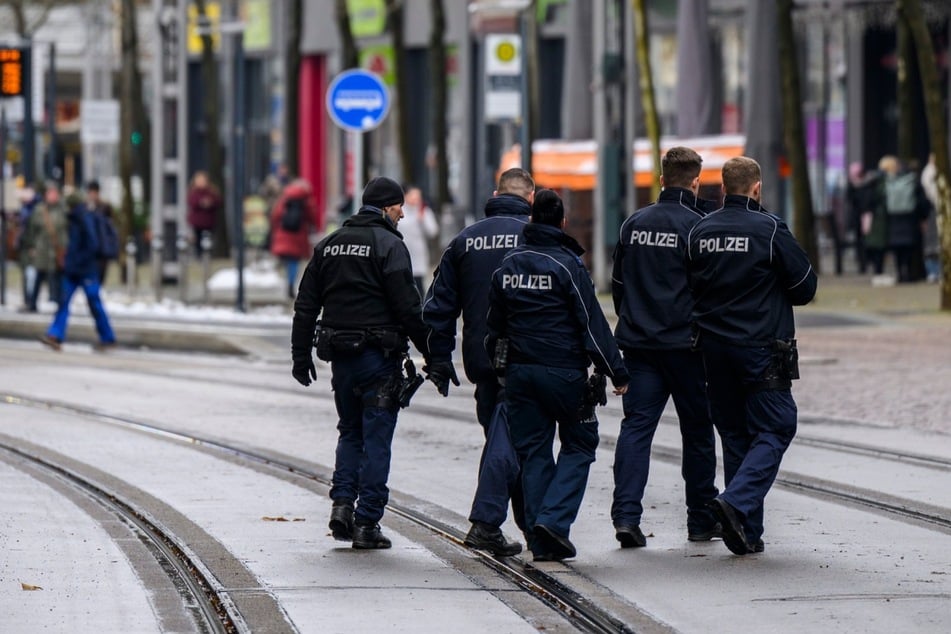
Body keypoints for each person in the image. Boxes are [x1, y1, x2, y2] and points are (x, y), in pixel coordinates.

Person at [290, 176, 440, 550]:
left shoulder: (328, 245)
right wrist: (434, 355)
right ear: (388, 207)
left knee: (350, 432)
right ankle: (367, 522)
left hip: (341, 359)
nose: (403, 213)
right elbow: (409, 308)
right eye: (399, 207)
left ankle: (342, 505)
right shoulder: (389, 245)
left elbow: (306, 304)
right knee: (376, 439)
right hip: (379, 359)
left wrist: (300, 354)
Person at [486, 188, 629, 562]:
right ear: (563, 222)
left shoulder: (510, 264)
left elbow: (493, 323)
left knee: (533, 451)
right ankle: (553, 520)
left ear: (532, 220)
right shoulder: (567, 265)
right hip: (563, 373)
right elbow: (592, 323)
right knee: (580, 443)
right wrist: (616, 371)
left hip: (520, 373)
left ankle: (538, 536)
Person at [686, 156, 817, 555]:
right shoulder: (770, 229)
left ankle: (746, 531)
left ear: (723, 188)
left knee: (735, 434)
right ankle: (736, 503)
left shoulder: (699, 230)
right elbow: (804, 286)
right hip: (760, 347)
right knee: (777, 426)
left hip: (713, 348)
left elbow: (689, 284)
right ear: (756, 188)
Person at [610, 146, 722, 548]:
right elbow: (708, 290)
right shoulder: (701, 227)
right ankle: (699, 519)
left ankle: (625, 515)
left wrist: (634, 319)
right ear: (696, 182)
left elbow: (618, 286)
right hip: (687, 348)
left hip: (639, 346)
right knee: (697, 432)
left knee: (637, 429)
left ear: (661, 179)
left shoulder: (633, 223)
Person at [423, 167, 535, 557]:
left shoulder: (465, 240)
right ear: (531, 197)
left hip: (481, 359)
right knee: (512, 440)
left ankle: (532, 524)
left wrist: (438, 358)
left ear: (495, 193)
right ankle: (487, 522)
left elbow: (437, 308)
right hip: (527, 358)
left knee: (504, 439)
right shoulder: (537, 237)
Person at [38, 192, 117, 352]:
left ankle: (107, 337)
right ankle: (55, 334)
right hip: (77, 269)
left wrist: (75, 261)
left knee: (91, 303)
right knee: (67, 302)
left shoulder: (81, 218)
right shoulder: (78, 217)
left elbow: (92, 244)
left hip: (84, 270)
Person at [878, 155, 930, 283]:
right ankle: (909, 273)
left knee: (897, 249)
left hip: (894, 219)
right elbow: (923, 202)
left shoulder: (888, 181)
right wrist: (923, 217)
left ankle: (900, 273)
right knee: (909, 248)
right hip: (910, 219)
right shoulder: (912, 180)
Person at [269, 178, 320, 299]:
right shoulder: (306, 200)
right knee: (294, 261)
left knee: (288, 261)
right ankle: (291, 284)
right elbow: (313, 218)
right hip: (298, 235)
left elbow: (275, 216)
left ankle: (288, 282)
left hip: (283, 234)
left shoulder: (284, 198)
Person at [22, 181, 67, 312]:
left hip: (57, 249)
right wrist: (32, 246)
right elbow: (31, 230)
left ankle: (58, 301)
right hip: (42, 249)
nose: (52, 195)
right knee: (38, 277)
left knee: (57, 276)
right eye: (50, 193)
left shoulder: (63, 210)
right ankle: (32, 303)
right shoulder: (39, 210)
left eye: (54, 193)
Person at [399, 186, 439, 295]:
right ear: (405, 196)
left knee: (418, 286)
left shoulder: (424, 211)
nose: (416, 198)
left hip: (418, 255)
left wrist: (422, 220)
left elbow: (433, 231)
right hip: (402, 253)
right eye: (413, 195)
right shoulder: (400, 211)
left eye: (418, 196)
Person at [85, 180, 119, 284]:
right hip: (88, 247)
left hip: (102, 247)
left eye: (94, 192)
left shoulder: (105, 207)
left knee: (100, 275)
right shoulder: (84, 207)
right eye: (90, 192)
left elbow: (111, 227)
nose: (92, 195)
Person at [186, 171, 222, 256]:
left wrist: (210, 203)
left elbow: (218, 201)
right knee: (198, 241)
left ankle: (208, 256)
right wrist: (201, 203)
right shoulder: (193, 192)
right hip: (197, 222)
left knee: (208, 240)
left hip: (209, 221)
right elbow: (191, 202)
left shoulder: (212, 191)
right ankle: (199, 256)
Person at [919, 153, 941, 283]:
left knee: (932, 244)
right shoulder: (931, 173)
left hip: (932, 210)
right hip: (933, 210)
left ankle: (934, 271)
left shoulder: (926, 173)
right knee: (933, 243)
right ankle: (934, 271)